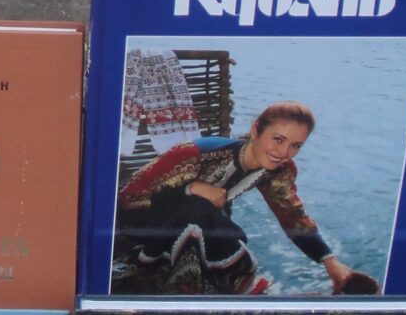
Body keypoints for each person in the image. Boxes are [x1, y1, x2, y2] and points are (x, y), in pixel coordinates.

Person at [114, 102, 375, 296]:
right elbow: (128, 198)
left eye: (295, 145)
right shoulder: (194, 154)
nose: (284, 152)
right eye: (278, 139)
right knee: (203, 211)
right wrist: (190, 189)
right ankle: (244, 285)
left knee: (222, 225)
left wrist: (329, 261)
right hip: (141, 222)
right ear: (255, 130)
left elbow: (293, 218)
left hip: (199, 222)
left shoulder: (278, 171)